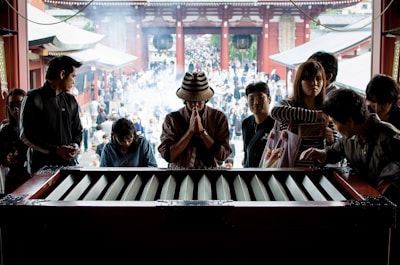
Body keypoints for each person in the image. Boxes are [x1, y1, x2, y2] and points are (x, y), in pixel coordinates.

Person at [299, 88, 400, 265]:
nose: (335, 128)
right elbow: (334, 152)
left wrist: (393, 180)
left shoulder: (389, 135)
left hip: (390, 218)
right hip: (364, 214)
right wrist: (321, 154)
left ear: (350, 120)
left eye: (335, 122)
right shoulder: (348, 138)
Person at [19, 55, 83, 174]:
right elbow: (25, 135)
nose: (74, 81)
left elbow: (78, 130)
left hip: (68, 166)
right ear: (62, 74)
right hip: (42, 169)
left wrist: (75, 146)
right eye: (73, 76)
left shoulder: (71, 101)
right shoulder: (33, 98)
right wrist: (56, 150)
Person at [158, 71, 232, 169]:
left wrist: (202, 132)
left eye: (199, 99)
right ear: (184, 99)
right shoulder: (171, 119)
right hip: (180, 174)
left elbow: (222, 155)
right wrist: (190, 132)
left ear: (206, 98)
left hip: (209, 173)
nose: (195, 104)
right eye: (191, 99)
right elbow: (168, 156)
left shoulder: (218, 117)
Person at [270, 59, 337, 167]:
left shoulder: (327, 110)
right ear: (299, 81)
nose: (314, 83)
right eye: (308, 78)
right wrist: (315, 115)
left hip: (315, 173)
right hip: (288, 170)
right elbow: (274, 112)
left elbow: (335, 154)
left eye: (318, 79)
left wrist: (330, 140)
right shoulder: (289, 104)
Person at [0, 88, 30, 193]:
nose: (16, 109)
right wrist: (8, 159)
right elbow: (2, 158)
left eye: (19, 105)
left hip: (33, 177)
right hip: (14, 180)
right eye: (11, 106)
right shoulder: (5, 130)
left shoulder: (34, 128)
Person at [241, 81, 275, 168]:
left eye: (260, 97)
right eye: (251, 98)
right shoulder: (246, 123)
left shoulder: (277, 125)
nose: (256, 102)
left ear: (269, 99)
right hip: (249, 176)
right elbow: (246, 151)